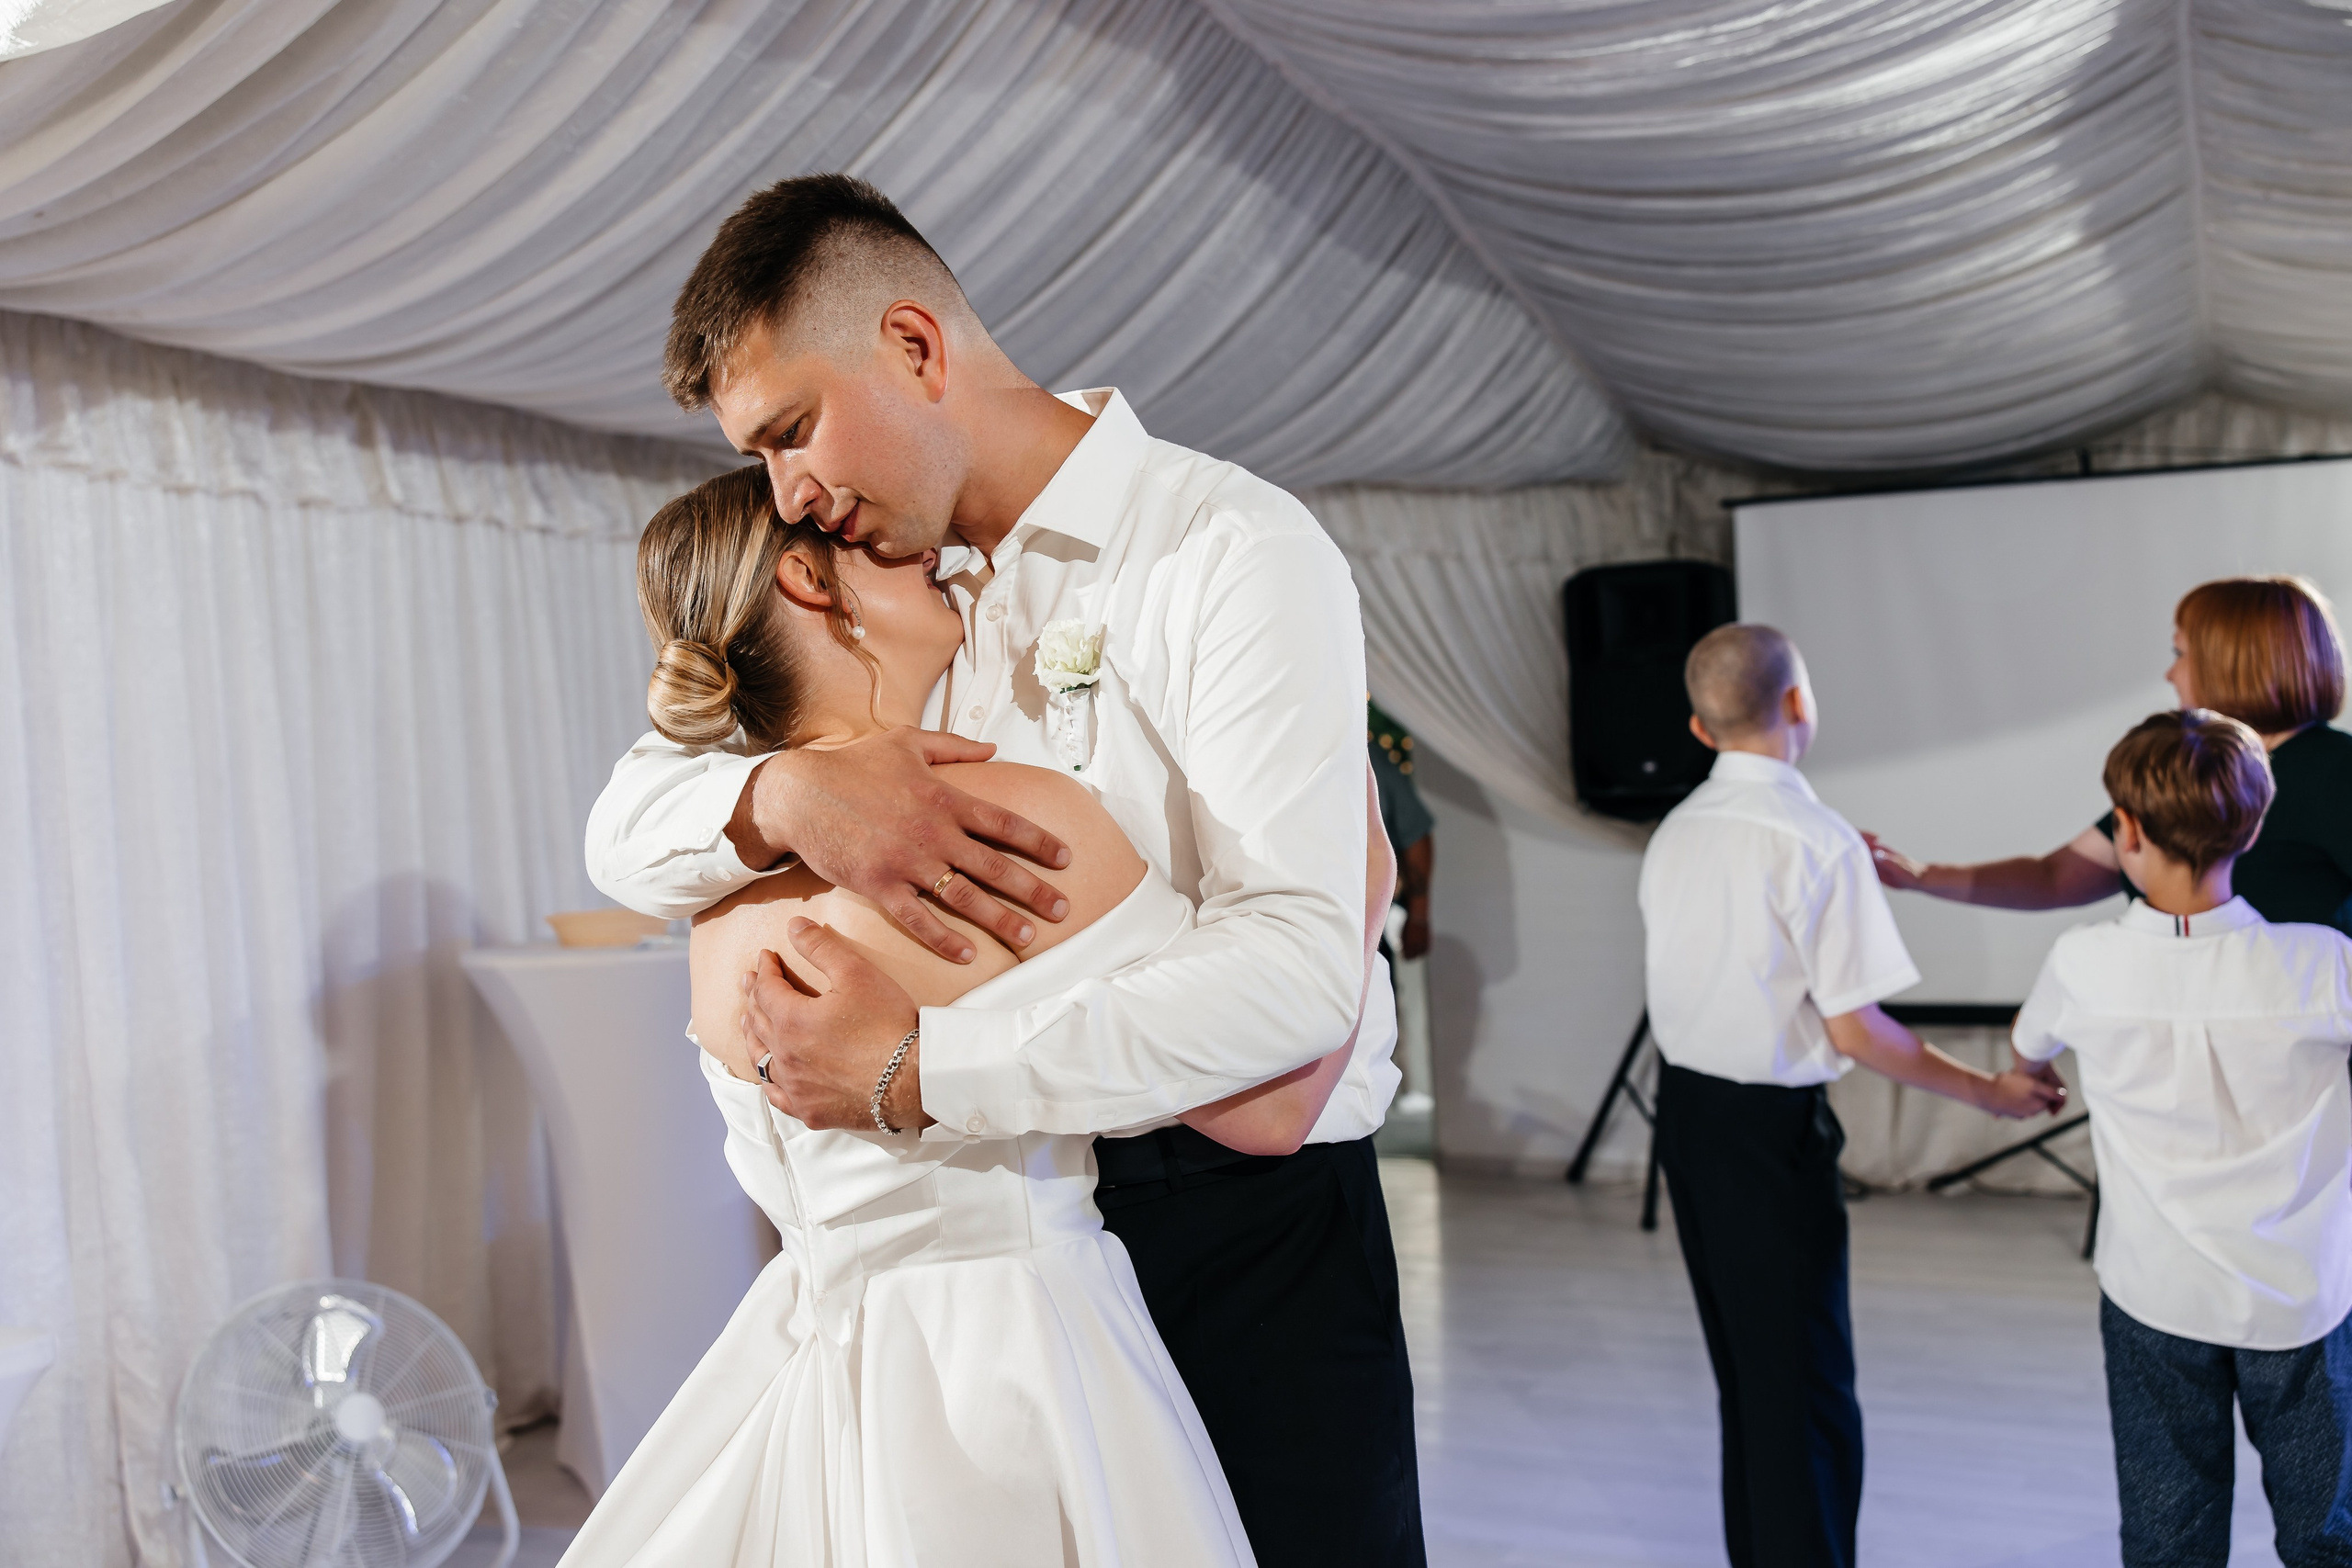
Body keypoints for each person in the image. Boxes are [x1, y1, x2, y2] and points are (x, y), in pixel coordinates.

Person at [582, 175, 1422, 1565]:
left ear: (914, 346)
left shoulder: (1224, 548)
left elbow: (1291, 976)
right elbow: (625, 814)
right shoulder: (876, 576)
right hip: (1005, 1235)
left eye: (790, 431)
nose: (789, 493)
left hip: (1241, 1223)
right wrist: (782, 790)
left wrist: (918, 1072)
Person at [1639, 624, 2062, 1568]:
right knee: (1805, 1390)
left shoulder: (1677, 830)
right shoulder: (1815, 841)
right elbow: (1857, 1031)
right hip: (1767, 1134)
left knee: (1748, 1380)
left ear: (1700, 729)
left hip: (1690, 1121)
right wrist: (1989, 1092)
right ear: (1798, 703)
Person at [2011, 709, 2352, 1568]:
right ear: (2256, 825)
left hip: (2153, 1294)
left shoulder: (2081, 962)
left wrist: (2033, 1078)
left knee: (2169, 1539)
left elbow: (2027, 1056)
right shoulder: (2325, 962)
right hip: (2302, 1297)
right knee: (2328, 1536)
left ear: (2125, 830)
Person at [1869, 576, 2352, 938]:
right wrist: (1920, 876)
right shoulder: (2198, 767)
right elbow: (2055, 878)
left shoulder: (2338, 771)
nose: (2170, 674)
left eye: (2180, 654)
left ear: (2232, 660)